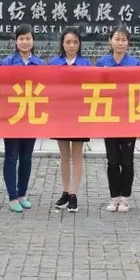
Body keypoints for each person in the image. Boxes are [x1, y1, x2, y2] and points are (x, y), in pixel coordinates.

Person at [97, 27, 140, 212]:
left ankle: (125, 198)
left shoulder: (135, 63)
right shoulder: (102, 63)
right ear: (110, 40)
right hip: (109, 119)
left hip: (129, 118)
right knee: (113, 161)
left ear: (128, 42)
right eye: (117, 39)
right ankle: (114, 197)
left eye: (124, 39)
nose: (120, 43)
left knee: (127, 161)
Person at [0, 24, 44, 212]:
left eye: (28, 38)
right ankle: (12, 197)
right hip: (12, 117)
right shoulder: (8, 62)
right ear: (16, 41)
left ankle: (22, 194)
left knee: (26, 157)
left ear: (33, 41)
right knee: (11, 156)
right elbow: (2, 88)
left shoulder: (40, 64)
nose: (25, 42)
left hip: (31, 116)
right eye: (21, 39)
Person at [49, 27, 92, 213]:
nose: (72, 45)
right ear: (62, 44)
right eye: (68, 42)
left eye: (75, 42)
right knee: (64, 156)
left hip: (80, 115)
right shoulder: (54, 63)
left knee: (77, 155)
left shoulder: (86, 63)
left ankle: (74, 193)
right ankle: (65, 191)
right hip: (60, 115)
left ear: (79, 44)